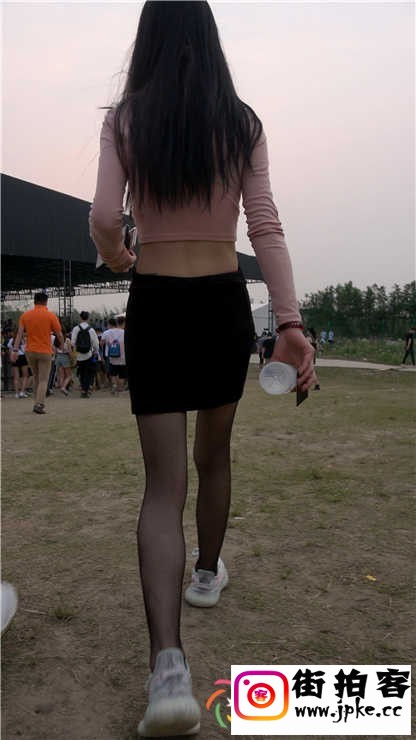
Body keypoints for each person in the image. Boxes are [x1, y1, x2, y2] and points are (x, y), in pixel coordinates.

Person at [89, 2, 317, 736]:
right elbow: (265, 224)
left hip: (156, 303)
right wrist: (289, 322)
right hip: (222, 303)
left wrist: (121, 257)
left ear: (149, 38)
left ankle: (169, 673)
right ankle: (208, 574)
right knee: (213, 456)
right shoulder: (241, 123)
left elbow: (104, 217)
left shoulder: (126, 120)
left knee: (163, 488)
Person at [10, 293, 64, 414]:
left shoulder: (25, 315)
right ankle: (39, 404)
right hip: (44, 351)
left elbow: (19, 334)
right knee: (43, 379)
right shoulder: (51, 315)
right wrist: (62, 344)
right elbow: (59, 334)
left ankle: (36, 402)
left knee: (36, 377)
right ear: (46, 302)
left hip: (29, 351)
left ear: (34, 301)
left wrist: (15, 350)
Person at [71, 312, 100, 397]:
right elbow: (96, 344)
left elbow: (72, 342)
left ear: (80, 318)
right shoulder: (91, 329)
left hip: (79, 354)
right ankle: (85, 391)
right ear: (88, 318)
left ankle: (82, 388)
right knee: (88, 373)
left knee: (81, 372)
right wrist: (95, 351)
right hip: (88, 354)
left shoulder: (76, 329)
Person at [7, 330, 29, 398]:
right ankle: (22, 392)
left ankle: (16, 393)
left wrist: (11, 358)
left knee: (16, 377)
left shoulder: (11, 340)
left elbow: (10, 350)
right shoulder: (24, 340)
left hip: (14, 357)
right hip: (22, 357)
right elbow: (26, 350)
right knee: (25, 376)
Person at [108, 316, 127, 394]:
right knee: (122, 374)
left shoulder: (110, 332)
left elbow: (107, 342)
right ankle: (120, 388)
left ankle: (114, 386)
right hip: (122, 357)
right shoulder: (124, 332)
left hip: (112, 356)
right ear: (123, 323)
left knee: (113, 373)